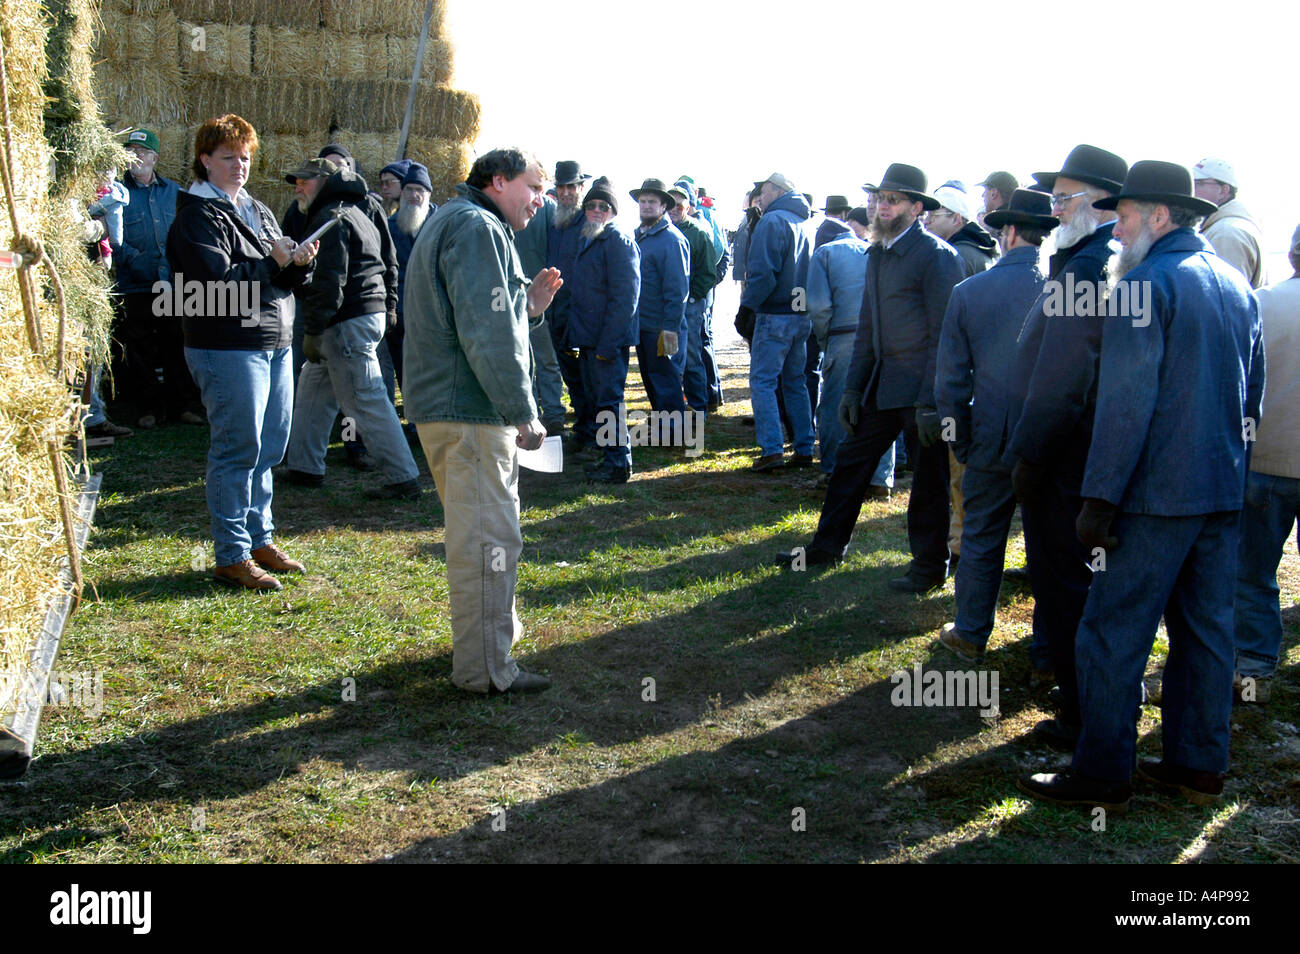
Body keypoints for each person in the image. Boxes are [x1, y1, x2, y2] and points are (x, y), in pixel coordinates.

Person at [1019, 161, 1263, 812]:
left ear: (1160, 216)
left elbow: (1126, 404)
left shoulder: (1144, 284)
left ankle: (1101, 772)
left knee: (1110, 630)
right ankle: (1196, 765)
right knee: (1207, 631)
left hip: (1156, 497)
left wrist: (1099, 499)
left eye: (1124, 216)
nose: (1116, 228)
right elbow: (1252, 396)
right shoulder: (1234, 284)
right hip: (1220, 490)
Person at [402, 147, 563, 694]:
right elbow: (486, 335)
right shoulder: (478, 228)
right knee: (489, 541)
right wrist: (522, 410)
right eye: (534, 187)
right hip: (470, 414)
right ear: (498, 181)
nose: (540, 200)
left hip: (452, 409)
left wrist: (529, 307)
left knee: (482, 535)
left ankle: (488, 648)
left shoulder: (455, 219)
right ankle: (486, 672)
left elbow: (477, 314)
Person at [775, 163, 963, 593]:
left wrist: (931, 401)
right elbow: (869, 327)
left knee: (929, 487)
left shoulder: (938, 257)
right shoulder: (875, 251)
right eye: (879, 198)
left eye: (893, 199)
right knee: (849, 467)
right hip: (881, 386)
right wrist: (854, 388)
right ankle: (826, 547)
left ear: (917, 208)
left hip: (921, 395)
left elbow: (945, 337)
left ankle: (930, 566)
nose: (882, 206)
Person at [999, 144, 1127, 742]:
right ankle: (1079, 701)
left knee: (1066, 580)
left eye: (1064, 196)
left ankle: (1081, 713)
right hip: (1079, 448)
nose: (1054, 207)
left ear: (1101, 202)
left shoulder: (1087, 266)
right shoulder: (1089, 257)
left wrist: (1030, 454)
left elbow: (1063, 378)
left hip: (1066, 453)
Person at [167, 113, 318, 591]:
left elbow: (280, 281)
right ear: (205, 160)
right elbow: (215, 289)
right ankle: (231, 554)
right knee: (238, 448)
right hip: (227, 344)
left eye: (246, 157)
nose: (239, 166)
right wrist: (275, 264)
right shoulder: (196, 218)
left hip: (272, 341)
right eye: (229, 157)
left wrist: (298, 265)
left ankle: (259, 539)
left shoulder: (256, 209)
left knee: (270, 446)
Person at [934, 189, 1056, 663]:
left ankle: (969, 632)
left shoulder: (970, 292)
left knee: (983, 536)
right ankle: (1048, 650)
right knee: (1050, 544)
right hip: (1051, 438)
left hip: (989, 432)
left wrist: (959, 435)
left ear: (1006, 233)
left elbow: (950, 381)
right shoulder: (1063, 290)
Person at [281, 158, 421, 499]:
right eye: (296, 181)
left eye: (305, 180)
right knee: (314, 392)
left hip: (345, 321)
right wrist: (388, 307)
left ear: (325, 182)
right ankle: (303, 467)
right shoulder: (357, 209)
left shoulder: (331, 217)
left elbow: (330, 281)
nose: (298, 187)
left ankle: (404, 478)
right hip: (360, 316)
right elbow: (390, 261)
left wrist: (313, 331)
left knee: (366, 399)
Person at [1231, 222, 1300, 704]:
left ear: (1293, 254)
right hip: (1270, 460)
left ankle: (1253, 662)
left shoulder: (1262, 302)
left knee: (1254, 569)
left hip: (1270, 458)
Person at [111, 127, 200, 431]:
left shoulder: (174, 192)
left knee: (177, 342)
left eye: (142, 152)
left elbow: (186, 232)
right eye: (131, 152)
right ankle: (147, 408)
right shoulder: (116, 194)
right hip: (135, 283)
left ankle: (183, 406)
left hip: (172, 284)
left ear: (154, 157)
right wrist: (135, 260)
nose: (136, 157)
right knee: (139, 347)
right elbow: (113, 238)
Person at [738, 172, 814, 472]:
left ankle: (771, 450)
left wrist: (747, 308)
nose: (761, 194)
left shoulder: (772, 221)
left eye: (764, 189)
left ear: (778, 190)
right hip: (800, 314)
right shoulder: (805, 222)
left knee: (763, 381)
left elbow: (763, 274)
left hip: (775, 315)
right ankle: (805, 446)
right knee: (795, 382)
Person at [568, 177, 641, 483]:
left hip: (606, 342)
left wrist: (608, 346)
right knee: (600, 402)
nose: (596, 210)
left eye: (603, 206)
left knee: (610, 402)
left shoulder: (618, 242)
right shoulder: (589, 239)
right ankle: (610, 457)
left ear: (612, 212)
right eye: (591, 205)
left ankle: (618, 464)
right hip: (588, 340)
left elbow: (626, 300)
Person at [806, 210, 869, 488]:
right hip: (877, 338)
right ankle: (880, 477)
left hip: (842, 335)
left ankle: (832, 469)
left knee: (833, 406)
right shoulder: (873, 250)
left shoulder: (824, 254)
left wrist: (824, 340)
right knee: (876, 407)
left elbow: (818, 306)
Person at [630, 177, 691, 425]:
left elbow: (678, 291)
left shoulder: (672, 240)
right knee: (651, 378)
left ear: (663, 206)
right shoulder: (640, 236)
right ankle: (664, 427)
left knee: (666, 380)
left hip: (662, 327)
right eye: (642, 201)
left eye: (651, 202)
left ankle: (675, 434)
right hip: (643, 325)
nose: (645, 206)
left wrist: (670, 329)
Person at [547, 161, 596, 446]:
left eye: (571, 187)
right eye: (561, 187)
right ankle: (584, 425)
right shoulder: (555, 222)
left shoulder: (590, 222)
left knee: (591, 377)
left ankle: (595, 431)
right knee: (571, 376)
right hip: (557, 312)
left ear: (581, 188)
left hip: (582, 313)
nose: (565, 192)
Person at [385, 161, 437, 405]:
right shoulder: (390, 227)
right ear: (402, 193)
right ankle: (415, 418)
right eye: (409, 190)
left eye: (420, 190)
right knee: (404, 366)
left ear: (428, 194)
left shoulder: (442, 223)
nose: (415, 195)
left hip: (435, 311)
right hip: (402, 312)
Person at [668, 182, 719, 417]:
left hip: (691, 307)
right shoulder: (659, 230)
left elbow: (709, 273)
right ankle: (674, 406)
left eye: (680, 204)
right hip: (668, 308)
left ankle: (699, 407)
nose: (675, 209)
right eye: (672, 204)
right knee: (669, 356)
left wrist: (692, 298)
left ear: (688, 206)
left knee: (691, 357)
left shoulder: (698, 232)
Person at [1192, 157, 1265, 289]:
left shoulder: (1226, 234)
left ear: (1223, 190)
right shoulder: (1229, 226)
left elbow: (1226, 298)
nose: (1192, 190)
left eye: (1199, 183)